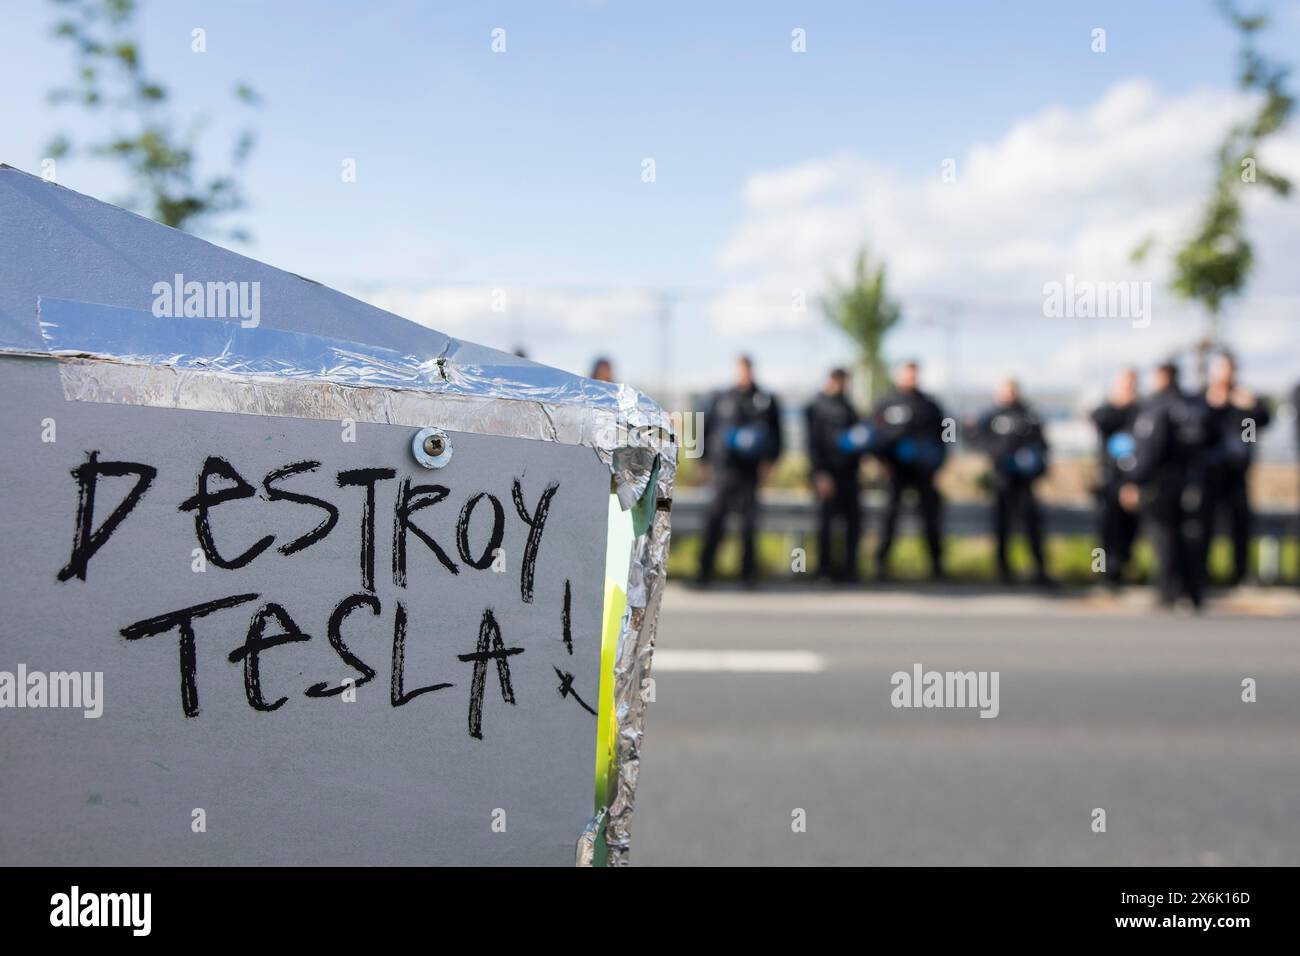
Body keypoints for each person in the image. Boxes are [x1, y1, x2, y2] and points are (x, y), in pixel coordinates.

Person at [1121, 361, 1213, 610]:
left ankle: (1168, 592)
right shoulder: (1196, 406)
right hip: (1196, 483)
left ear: (1162, 377)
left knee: (1165, 538)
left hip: (1162, 485)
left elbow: (1150, 450)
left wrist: (1133, 481)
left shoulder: (1157, 407)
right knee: (1193, 538)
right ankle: (1194, 593)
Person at [696, 355, 783, 587]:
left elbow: (777, 432)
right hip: (723, 469)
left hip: (750, 470)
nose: (744, 374)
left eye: (747, 370)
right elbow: (702, 426)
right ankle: (704, 573)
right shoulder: (721, 397)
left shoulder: (763, 399)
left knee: (749, 523)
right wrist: (701, 460)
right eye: (741, 370)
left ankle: (747, 575)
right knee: (715, 519)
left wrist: (772, 460)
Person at [1197, 352, 1271, 587]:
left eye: (1229, 369)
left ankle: (1239, 574)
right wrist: (1211, 404)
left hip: (1238, 473)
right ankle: (1202, 572)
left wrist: (1251, 406)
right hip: (1210, 474)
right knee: (1205, 524)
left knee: (1240, 525)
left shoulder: (1244, 400)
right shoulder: (1205, 399)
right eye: (1221, 369)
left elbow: (1264, 420)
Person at [869, 360, 948, 581]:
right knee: (889, 517)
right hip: (895, 470)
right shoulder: (886, 402)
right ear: (899, 375)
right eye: (906, 374)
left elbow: (946, 432)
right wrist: (882, 461)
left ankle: (937, 565)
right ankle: (880, 564)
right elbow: (873, 433)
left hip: (923, 471)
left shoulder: (929, 404)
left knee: (931, 517)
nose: (910, 378)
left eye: (914, 374)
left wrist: (938, 460)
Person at [971, 378, 1052, 585]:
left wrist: (1034, 462)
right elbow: (978, 440)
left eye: (1012, 390)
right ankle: (1003, 571)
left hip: (1025, 482)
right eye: (1005, 390)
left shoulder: (1029, 415)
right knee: (1001, 525)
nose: (1009, 394)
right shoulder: (991, 416)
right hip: (1001, 479)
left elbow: (1043, 445)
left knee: (1032, 524)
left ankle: (1039, 569)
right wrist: (1001, 453)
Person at [805, 368, 867, 582]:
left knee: (854, 524)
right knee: (826, 525)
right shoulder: (816, 407)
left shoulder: (849, 407)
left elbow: (859, 441)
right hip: (826, 474)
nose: (842, 387)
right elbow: (812, 445)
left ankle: (849, 570)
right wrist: (819, 474)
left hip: (849, 475)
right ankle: (824, 571)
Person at [1090, 368, 1142, 587]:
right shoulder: (1107, 410)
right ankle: (1102, 573)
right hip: (1108, 480)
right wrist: (1117, 402)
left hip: (1133, 479)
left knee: (1128, 530)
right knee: (1105, 532)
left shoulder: (1140, 410)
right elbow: (1097, 420)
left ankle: (1121, 570)